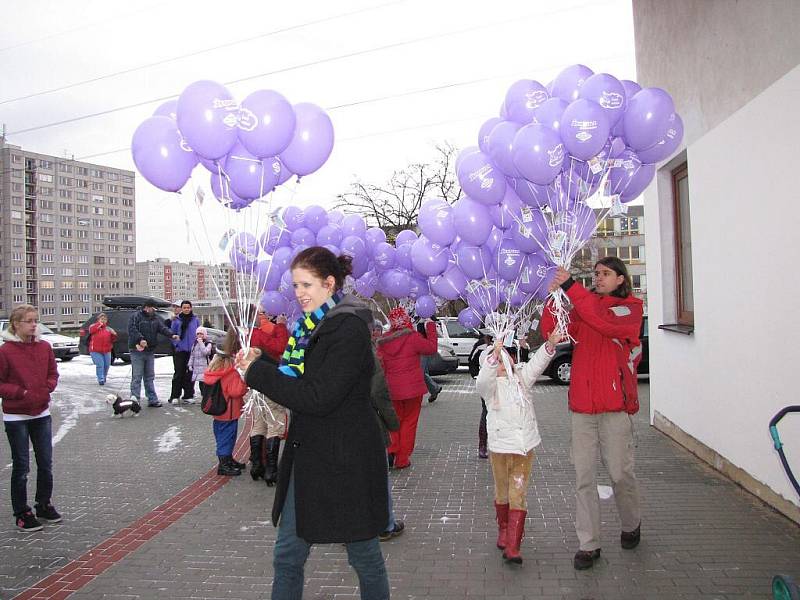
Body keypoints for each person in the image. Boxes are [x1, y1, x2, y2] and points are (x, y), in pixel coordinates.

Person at [237, 246, 390, 600]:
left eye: (307, 284)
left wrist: (257, 373)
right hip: (308, 461)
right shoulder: (310, 327)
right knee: (287, 556)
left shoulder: (348, 329)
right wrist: (263, 364)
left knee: (364, 557)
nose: (300, 293)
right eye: (295, 285)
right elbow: (301, 384)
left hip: (346, 462)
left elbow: (318, 396)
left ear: (329, 283)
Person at [541, 257, 644, 571]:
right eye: (596, 273)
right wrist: (553, 297)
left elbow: (603, 321)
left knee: (619, 474)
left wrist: (571, 286)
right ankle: (589, 544)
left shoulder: (630, 308)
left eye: (606, 274)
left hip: (614, 410)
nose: (598, 278)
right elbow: (555, 329)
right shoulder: (584, 306)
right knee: (584, 478)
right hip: (582, 410)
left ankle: (631, 522)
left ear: (621, 280)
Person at [476, 331, 561, 564]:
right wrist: (492, 357)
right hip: (501, 449)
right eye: (498, 363)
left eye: (505, 360)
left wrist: (550, 344)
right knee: (502, 491)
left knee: (518, 494)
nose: (504, 364)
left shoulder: (521, 380)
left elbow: (536, 364)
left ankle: (513, 545)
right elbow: (483, 380)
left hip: (524, 449)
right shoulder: (490, 390)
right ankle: (503, 531)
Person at [0, 305, 61, 532]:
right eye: (28, 321)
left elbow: (53, 374)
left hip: (41, 413)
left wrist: (46, 388)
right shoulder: (5, 351)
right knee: (22, 466)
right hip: (16, 417)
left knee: (45, 463)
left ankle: (43, 504)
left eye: (36, 320)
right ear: (16, 324)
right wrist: (21, 393)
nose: (34, 325)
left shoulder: (44, 347)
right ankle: (21, 512)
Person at [376, 307, 438, 470]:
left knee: (394, 421)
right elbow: (431, 349)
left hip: (392, 389)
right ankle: (402, 459)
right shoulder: (413, 338)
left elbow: (380, 364)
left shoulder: (383, 341)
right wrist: (430, 327)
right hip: (413, 390)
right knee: (410, 422)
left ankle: (391, 450)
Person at [248, 308, 289, 486]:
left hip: (254, 384)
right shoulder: (261, 333)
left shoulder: (247, 334)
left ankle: (257, 465)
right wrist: (281, 326)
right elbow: (281, 347)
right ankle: (271, 470)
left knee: (258, 423)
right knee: (275, 423)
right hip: (271, 382)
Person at [370, 320, 403, 542]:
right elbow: (378, 392)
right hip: (367, 426)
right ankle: (384, 525)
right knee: (377, 479)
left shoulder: (327, 349)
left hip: (338, 429)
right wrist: (392, 423)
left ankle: (350, 528)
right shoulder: (367, 355)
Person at [203, 329, 248, 476]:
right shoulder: (230, 372)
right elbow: (236, 391)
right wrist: (244, 382)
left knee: (222, 434)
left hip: (219, 411)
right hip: (229, 410)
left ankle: (228, 459)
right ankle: (224, 464)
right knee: (227, 436)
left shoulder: (214, 369)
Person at [128, 299, 179, 407]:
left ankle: (152, 399)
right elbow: (132, 330)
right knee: (137, 376)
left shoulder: (154, 318)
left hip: (150, 350)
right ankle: (135, 399)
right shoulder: (136, 316)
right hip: (137, 350)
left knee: (149, 376)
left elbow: (162, 328)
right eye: (153, 308)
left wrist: (171, 334)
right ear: (147, 307)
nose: (154, 310)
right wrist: (140, 339)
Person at [169, 300, 200, 404]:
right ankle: (174, 395)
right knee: (179, 373)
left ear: (191, 308)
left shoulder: (195, 319)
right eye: (184, 308)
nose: (186, 309)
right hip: (180, 351)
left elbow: (199, 333)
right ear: (181, 309)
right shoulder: (176, 320)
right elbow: (172, 334)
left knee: (190, 374)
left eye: (188, 307)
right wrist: (176, 345)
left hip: (192, 351)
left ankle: (188, 395)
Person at [468, 332, 493, 459]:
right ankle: (483, 445)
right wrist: (477, 375)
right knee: (487, 412)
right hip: (487, 384)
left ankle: (494, 446)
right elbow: (471, 361)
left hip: (504, 383)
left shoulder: (509, 343)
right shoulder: (481, 346)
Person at [416, 320, 443, 403]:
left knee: (420, 373)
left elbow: (432, 336)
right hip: (416, 349)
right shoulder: (413, 318)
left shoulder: (427, 320)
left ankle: (417, 397)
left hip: (423, 349)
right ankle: (434, 388)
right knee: (421, 373)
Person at [88, 312, 117, 385]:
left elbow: (113, 339)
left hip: (106, 350)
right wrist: (99, 324)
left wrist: (114, 335)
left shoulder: (108, 329)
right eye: (102, 319)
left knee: (107, 365)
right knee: (100, 364)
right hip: (95, 350)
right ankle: (100, 379)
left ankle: (104, 377)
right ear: (98, 319)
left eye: (105, 319)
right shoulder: (93, 326)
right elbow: (91, 331)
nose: (103, 320)